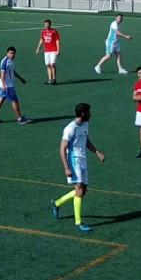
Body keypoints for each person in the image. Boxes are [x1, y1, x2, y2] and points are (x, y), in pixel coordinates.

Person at [51, 102, 105, 232]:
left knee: (82, 191)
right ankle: (78, 222)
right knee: (79, 189)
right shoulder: (70, 128)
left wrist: (97, 152)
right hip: (73, 161)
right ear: (83, 114)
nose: (90, 115)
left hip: (82, 160)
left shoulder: (85, 124)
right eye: (88, 112)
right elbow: (62, 147)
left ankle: (57, 203)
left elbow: (85, 140)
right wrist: (66, 167)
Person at [0, 46, 30, 124]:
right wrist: (3, 85)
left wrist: (20, 78)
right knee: (14, 101)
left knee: (0, 100)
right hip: (7, 85)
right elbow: (2, 73)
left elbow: (12, 71)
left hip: (4, 85)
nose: (12, 55)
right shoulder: (5, 61)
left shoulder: (12, 61)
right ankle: (20, 119)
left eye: (13, 53)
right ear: (7, 53)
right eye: (10, 53)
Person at [34, 19, 61, 84]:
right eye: (45, 24)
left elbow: (57, 41)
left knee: (52, 64)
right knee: (48, 65)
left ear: (50, 24)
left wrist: (58, 50)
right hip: (46, 51)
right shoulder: (43, 31)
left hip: (53, 50)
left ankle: (54, 79)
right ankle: (50, 79)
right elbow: (42, 40)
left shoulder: (54, 31)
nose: (46, 25)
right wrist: (38, 48)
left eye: (47, 24)